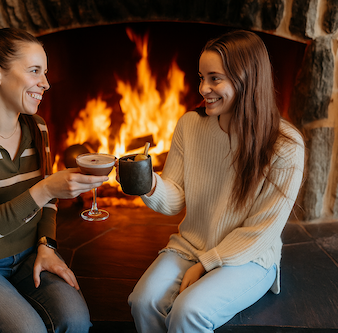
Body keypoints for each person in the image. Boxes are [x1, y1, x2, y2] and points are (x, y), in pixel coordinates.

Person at [126, 30, 305, 333]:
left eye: (214, 79)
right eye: (201, 77)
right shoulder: (191, 126)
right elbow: (175, 199)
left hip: (249, 257)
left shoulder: (286, 146)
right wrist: (148, 183)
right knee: (142, 302)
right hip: (191, 245)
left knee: (188, 312)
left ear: (246, 79)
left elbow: (261, 231)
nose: (203, 88)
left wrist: (206, 264)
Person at [0, 27, 108, 333]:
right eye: (34, 71)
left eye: (45, 72)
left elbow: (49, 202)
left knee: (76, 321)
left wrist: (46, 246)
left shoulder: (37, 128)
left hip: (29, 255)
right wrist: (44, 189)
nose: (46, 83)